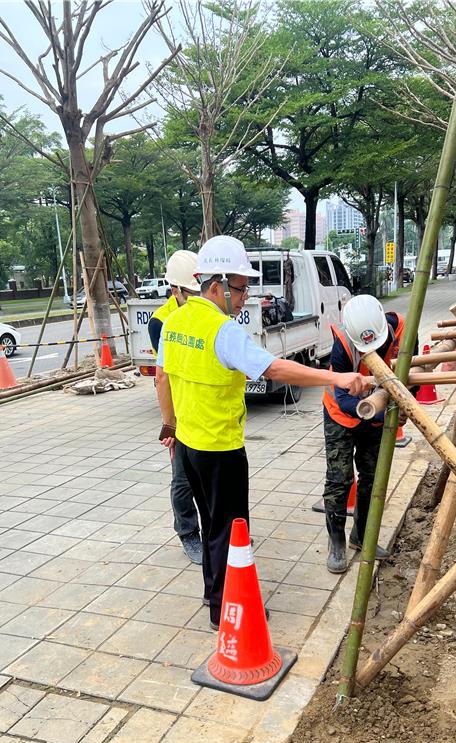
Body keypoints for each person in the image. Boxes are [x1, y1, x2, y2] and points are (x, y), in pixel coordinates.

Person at [156, 235, 367, 630]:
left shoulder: (174, 322)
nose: (244, 296)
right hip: (220, 450)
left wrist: (170, 425)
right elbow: (274, 369)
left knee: (210, 526)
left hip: (187, 446)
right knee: (230, 532)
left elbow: (163, 379)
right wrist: (337, 376)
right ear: (215, 286)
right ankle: (227, 611)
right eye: (240, 288)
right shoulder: (223, 331)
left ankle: (212, 594)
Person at [322, 294, 415, 574]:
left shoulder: (401, 331)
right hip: (342, 415)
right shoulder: (342, 344)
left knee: (372, 478)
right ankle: (336, 542)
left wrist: (407, 402)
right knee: (340, 479)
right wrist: (379, 411)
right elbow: (343, 399)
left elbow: (413, 374)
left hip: (376, 414)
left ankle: (362, 536)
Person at [150, 251, 203, 564]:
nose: (198, 298)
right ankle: (188, 533)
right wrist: (169, 424)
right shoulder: (162, 323)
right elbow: (164, 378)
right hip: (181, 414)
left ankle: (219, 529)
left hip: (205, 410)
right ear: (176, 291)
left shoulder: (203, 314)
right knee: (183, 479)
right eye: (192, 293)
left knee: (212, 478)